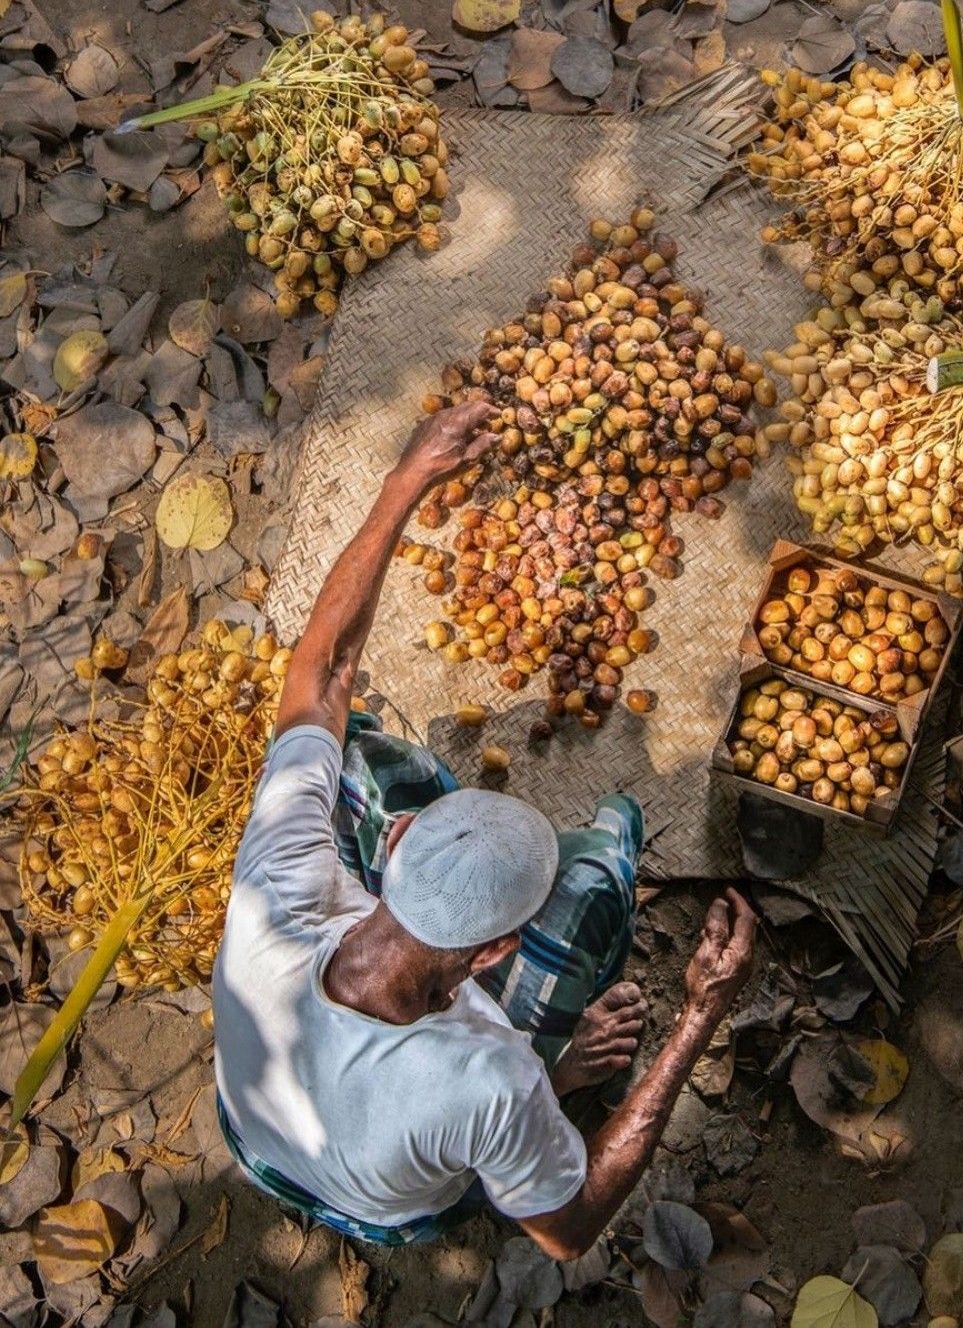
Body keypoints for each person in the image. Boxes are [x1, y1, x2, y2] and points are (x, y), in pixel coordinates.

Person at [212, 399, 756, 1260]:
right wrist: (698, 1017)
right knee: (600, 870)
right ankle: (558, 1074)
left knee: (344, 748)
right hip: (383, 1205)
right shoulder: (482, 1078)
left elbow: (323, 671)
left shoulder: (273, 890)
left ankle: (556, 1077)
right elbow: (567, 1232)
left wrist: (408, 479)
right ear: (498, 951)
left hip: (255, 1137)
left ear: (395, 846)